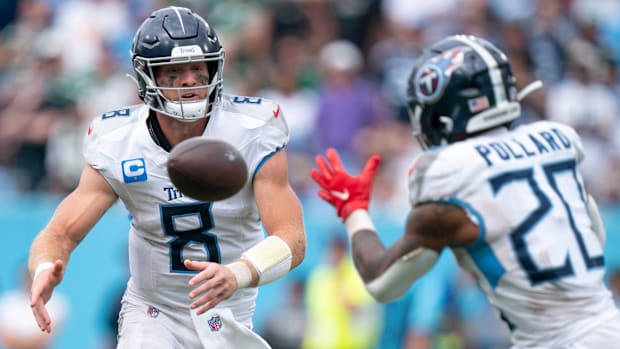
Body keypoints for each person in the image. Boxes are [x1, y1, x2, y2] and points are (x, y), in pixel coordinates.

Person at [310, 34, 620, 348]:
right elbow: (594, 238)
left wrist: (354, 211)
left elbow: (381, 283)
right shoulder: (556, 140)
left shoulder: (450, 171)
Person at [28, 6, 306, 349]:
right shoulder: (118, 141)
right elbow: (60, 233)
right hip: (153, 312)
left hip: (229, 314)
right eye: (174, 70)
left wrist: (239, 273)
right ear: (148, 77)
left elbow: (292, 239)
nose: (190, 79)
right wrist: (43, 267)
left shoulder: (252, 130)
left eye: (197, 68)